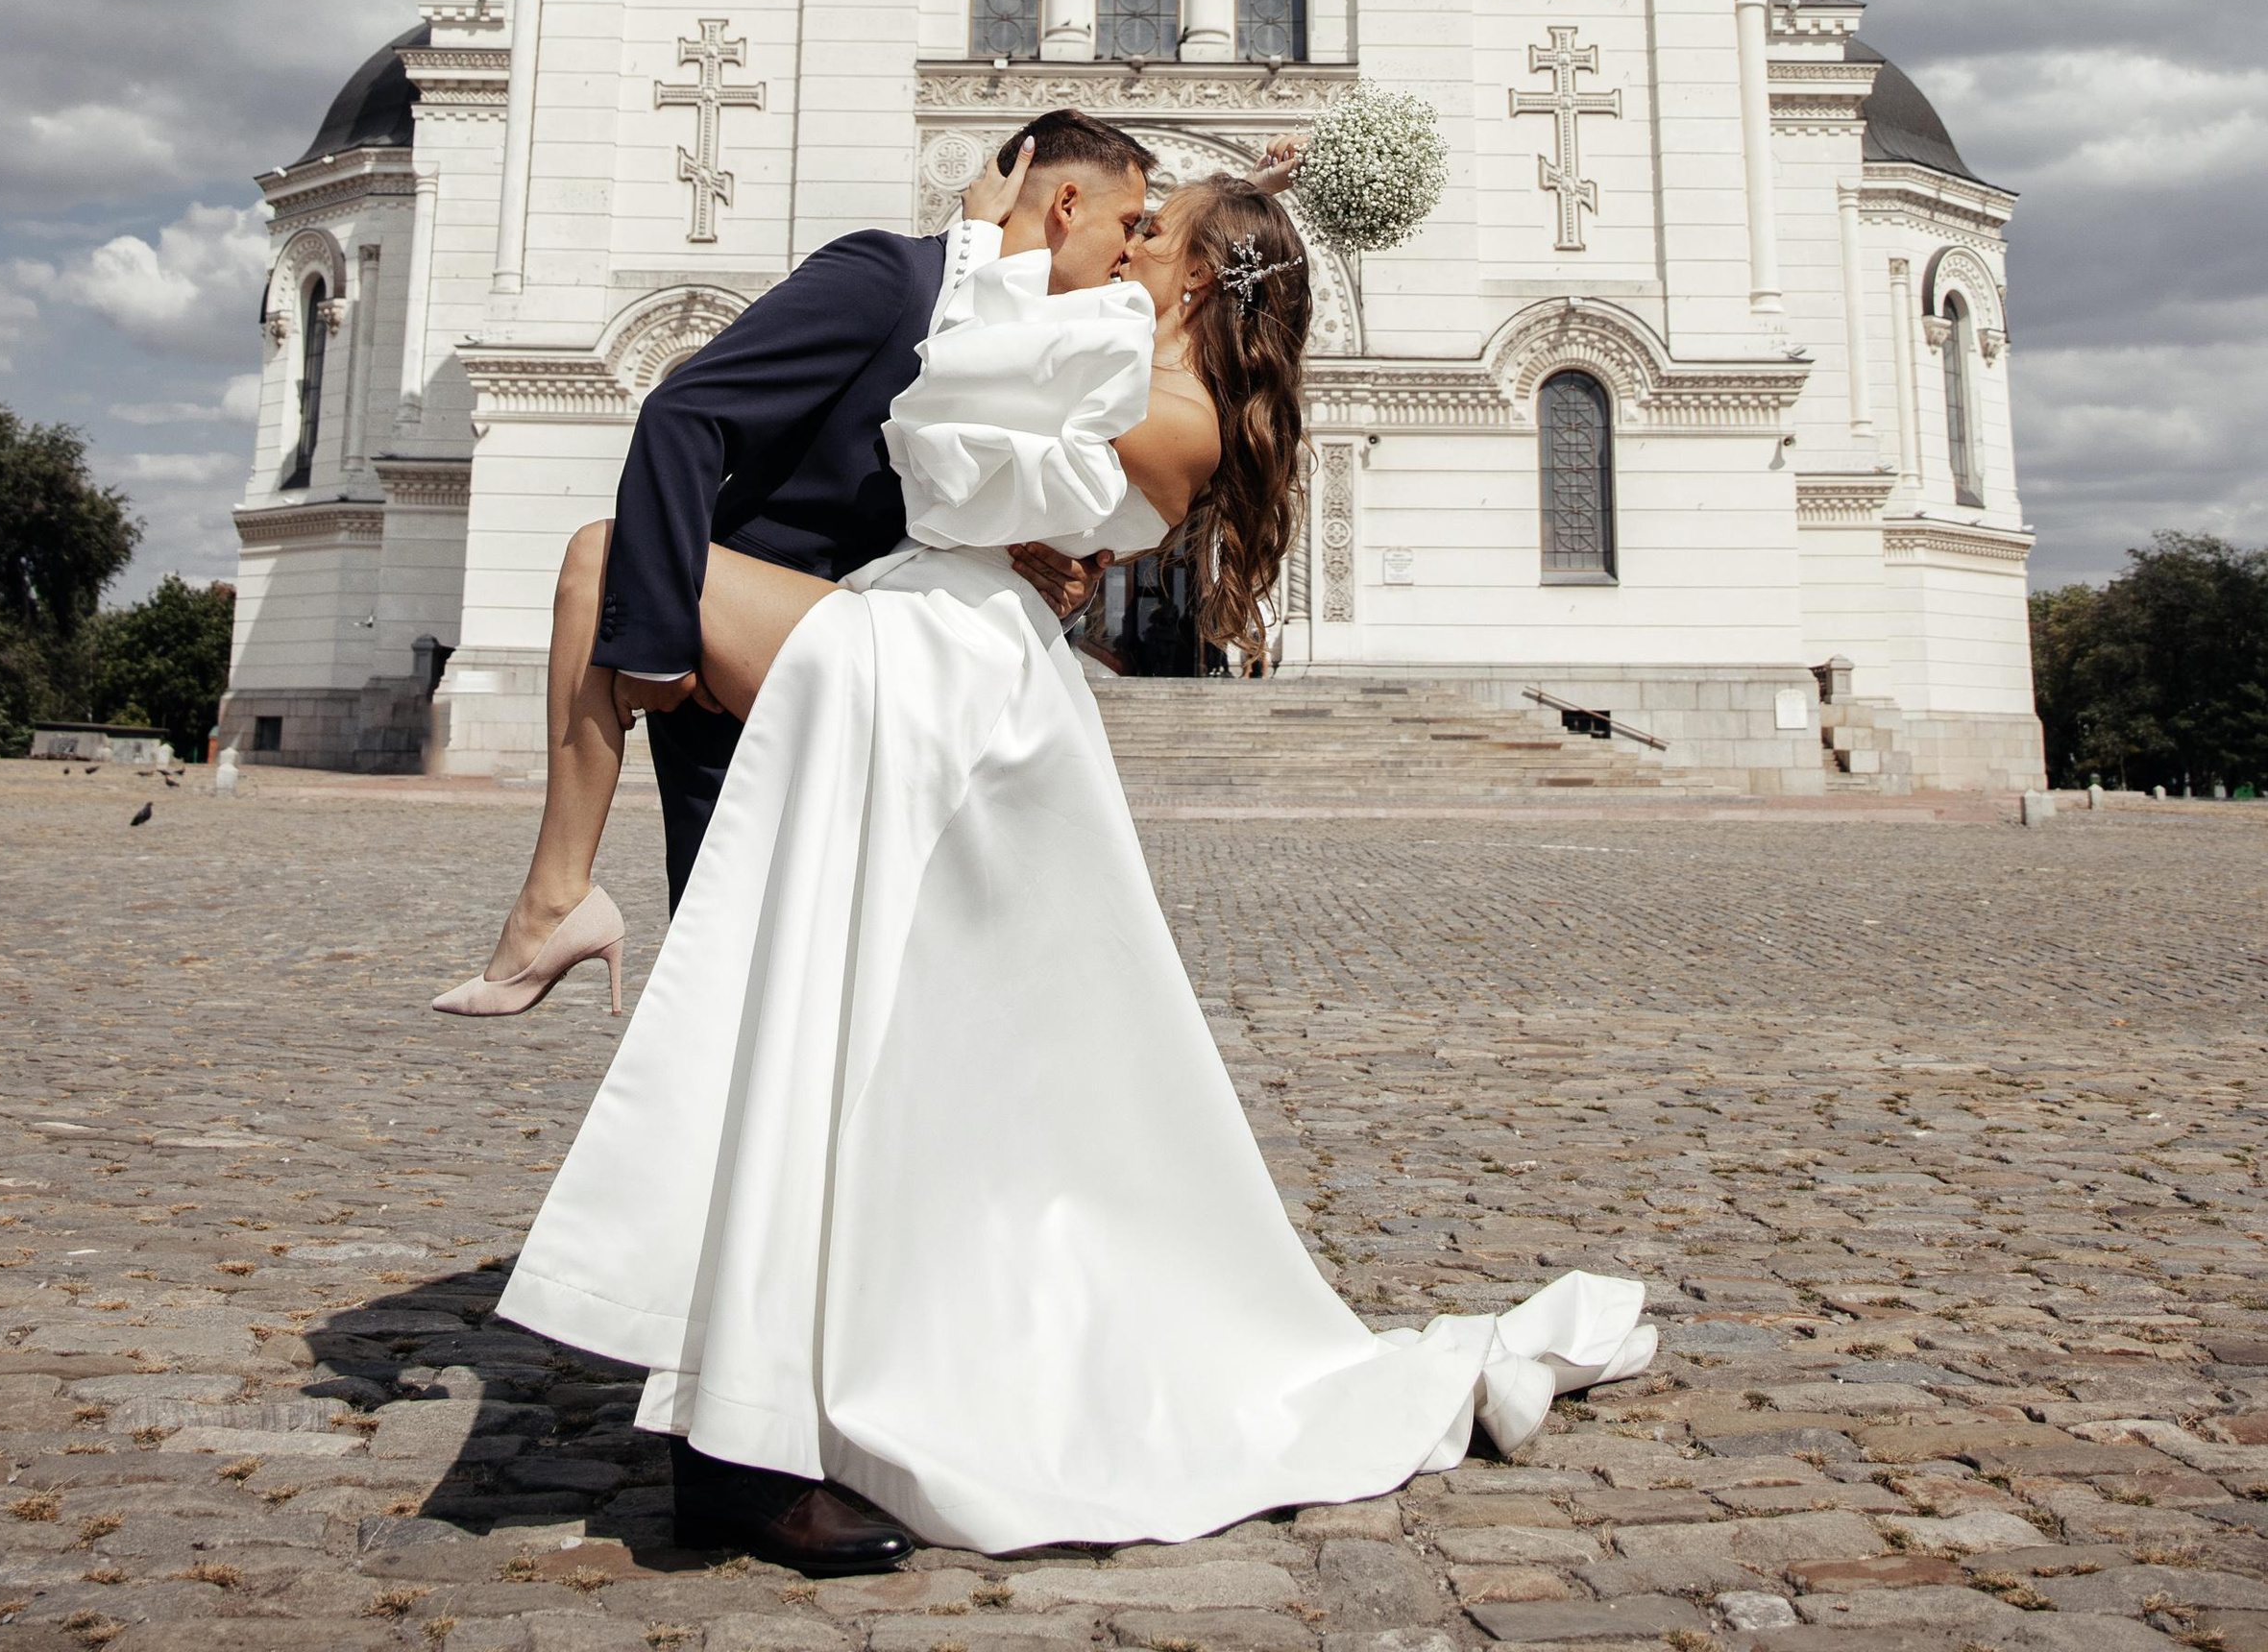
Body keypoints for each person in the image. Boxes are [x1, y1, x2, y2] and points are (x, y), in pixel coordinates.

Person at [495, 144, 1653, 1565]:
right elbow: (972, 438)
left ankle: (565, 913)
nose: (1120, 239)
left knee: (620, 579)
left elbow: (948, 434)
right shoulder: (1123, 362)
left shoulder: (1171, 414)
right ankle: (763, 1373)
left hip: (937, 676)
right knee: (855, 1038)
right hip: (927, 652)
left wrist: (982, 244)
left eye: (1150, 231)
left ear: (1199, 279)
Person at [429, 109, 1154, 1567]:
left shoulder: (990, 316)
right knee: (764, 1058)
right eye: (1127, 224)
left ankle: (816, 1404)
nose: (1135, 258)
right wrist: (650, 652)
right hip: (765, 701)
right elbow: (686, 418)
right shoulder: (886, 280)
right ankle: (733, 1469)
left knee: (848, 1062)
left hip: (862, 706)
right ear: (1063, 195)